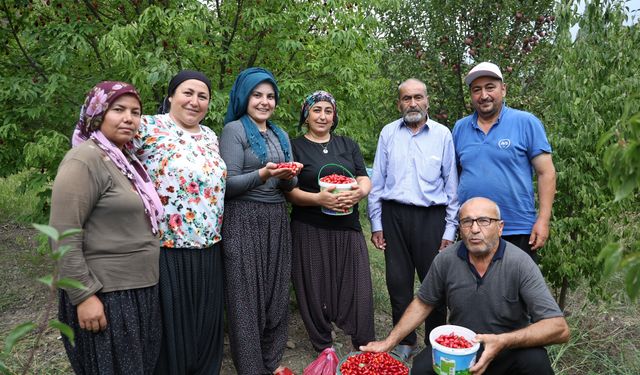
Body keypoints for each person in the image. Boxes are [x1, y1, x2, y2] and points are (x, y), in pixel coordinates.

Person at [361, 197, 570, 375]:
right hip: (461, 349)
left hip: (508, 348)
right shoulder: (447, 259)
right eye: (467, 222)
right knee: (422, 368)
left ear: (500, 227)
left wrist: (503, 341)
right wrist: (389, 342)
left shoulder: (520, 263)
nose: (475, 229)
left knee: (536, 363)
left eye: (484, 221)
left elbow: (559, 329)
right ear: (459, 228)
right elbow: (423, 303)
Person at [52, 81, 164, 374]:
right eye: (118, 109)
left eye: (135, 112)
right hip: (106, 293)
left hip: (139, 289)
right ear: (97, 112)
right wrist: (84, 296)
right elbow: (63, 235)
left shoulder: (124, 159)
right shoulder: (84, 160)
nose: (129, 118)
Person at [132, 70, 227, 375]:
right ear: (171, 96)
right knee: (173, 327)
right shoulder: (148, 126)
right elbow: (105, 152)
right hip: (167, 246)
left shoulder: (211, 135)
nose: (194, 101)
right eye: (187, 93)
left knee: (205, 325)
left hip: (209, 245)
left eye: (202, 96)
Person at [367, 78, 459, 360]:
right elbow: (377, 184)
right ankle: (405, 341)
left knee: (435, 283)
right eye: (406, 98)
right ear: (399, 103)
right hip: (394, 216)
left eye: (418, 97)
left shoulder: (443, 135)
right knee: (398, 283)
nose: (412, 103)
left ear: (427, 100)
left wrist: (450, 229)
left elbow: (452, 187)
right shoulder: (389, 133)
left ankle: (435, 343)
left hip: (431, 218)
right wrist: (377, 224)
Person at [220, 67, 300, 375]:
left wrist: (289, 175)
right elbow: (228, 186)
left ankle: (271, 359)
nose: (264, 102)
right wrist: (264, 173)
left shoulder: (279, 134)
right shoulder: (234, 131)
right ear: (244, 97)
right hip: (243, 219)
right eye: (257, 95)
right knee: (245, 297)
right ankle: (251, 367)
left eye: (270, 96)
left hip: (276, 218)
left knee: (275, 292)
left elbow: (288, 188)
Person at [285, 91, 375, 354]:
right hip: (309, 227)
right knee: (314, 286)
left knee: (357, 286)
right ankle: (323, 344)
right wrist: (319, 199)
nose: (322, 116)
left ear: (334, 115)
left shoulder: (347, 144)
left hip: (347, 227)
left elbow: (363, 176)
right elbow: (289, 191)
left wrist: (360, 191)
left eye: (328, 110)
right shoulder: (294, 146)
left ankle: (362, 343)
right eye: (317, 110)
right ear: (306, 114)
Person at [452, 62, 557, 262]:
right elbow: (453, 176)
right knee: (473, 291)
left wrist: (543, 220)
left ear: (503, 89)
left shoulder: (526, 122)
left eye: (490, 87)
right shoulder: (460, 128)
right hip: (471, 229)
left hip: (516, 227)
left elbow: (547, 173)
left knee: (515, 291)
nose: (483, 95)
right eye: (477, 90)